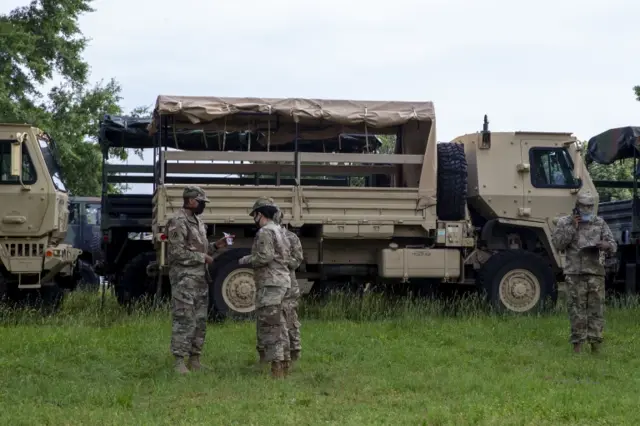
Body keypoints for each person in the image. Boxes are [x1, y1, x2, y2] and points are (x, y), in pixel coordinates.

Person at [166, 186, 232, 374]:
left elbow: (201, 249)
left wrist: (216, 246)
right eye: (202, 202)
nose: (203, 205)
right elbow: (177, 252)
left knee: (200, 320)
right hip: (184, 280)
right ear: (192, 201)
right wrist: (202, 258)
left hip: (200, 280)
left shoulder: (198, 222)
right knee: (184, 318)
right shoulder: (177, 222)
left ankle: (195, 359)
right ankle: (179, 361)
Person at [551, 190, 617, 354]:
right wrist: (573, 227)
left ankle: (595, 346)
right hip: (575, 274)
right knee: (576, 311)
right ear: (577, 206)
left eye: (589, 206)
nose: (586, 209)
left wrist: (606, 246)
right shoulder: (565, 222)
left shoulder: (599, 223)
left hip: (595, 273)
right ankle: (577, 347)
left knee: (596, 311)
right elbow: (558, 244)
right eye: (583, 206)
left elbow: (613, 245)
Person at [238, 196, 291, 378]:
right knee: (281, 324)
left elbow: (264, 257)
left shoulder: (265, 232)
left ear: (261, 214)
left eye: (255, 215)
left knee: (271, 326)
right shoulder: (280, 231)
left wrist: (246, 259)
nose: (254, 218)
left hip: (270, 284)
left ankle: (276, 369)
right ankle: (285, 364)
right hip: (282, 282)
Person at [273, 208, 304, 364]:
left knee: (291, 319)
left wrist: (280, 261)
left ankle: (295, 351)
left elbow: (297, 260)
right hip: (273, 284)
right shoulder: (268, 235)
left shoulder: (291, 237)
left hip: (289, 285)